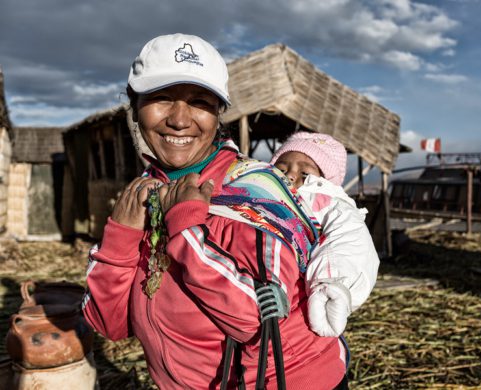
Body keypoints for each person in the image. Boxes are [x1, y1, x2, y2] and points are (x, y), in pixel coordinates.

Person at [82, 33, 347, 389]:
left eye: (200, 102)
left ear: (218, 113)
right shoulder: (146, 194)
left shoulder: (256, 193)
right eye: (161, 98)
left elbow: (257, 317)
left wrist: (187, 230)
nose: (179, 119)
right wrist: (120, 237)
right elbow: (108, 325)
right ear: (134, 105)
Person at [270, 132, 379, 338]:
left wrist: (332, 283)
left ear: (325, 182)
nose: (291, 175)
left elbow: (348, 240)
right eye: (282, 169)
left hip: (300, 302)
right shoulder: (258, 196)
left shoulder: (328, 204)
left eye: (305, 174)